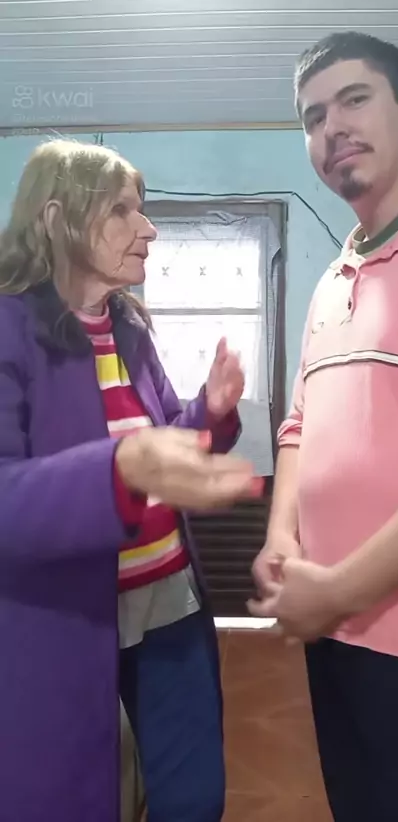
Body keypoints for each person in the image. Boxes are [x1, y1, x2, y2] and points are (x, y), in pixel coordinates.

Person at [250, 32, 398, 821]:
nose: (332, 127)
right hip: (337, 632)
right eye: (313, 116)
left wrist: (340, 589)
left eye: (354, 100)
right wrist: (282, 537)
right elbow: (298, 428)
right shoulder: (332, 277)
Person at [0, 138, 262, 822]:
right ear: (56, 218)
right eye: (122, 210)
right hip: (66, 619)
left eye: (142, 210)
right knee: (76, 795)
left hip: (169, 601)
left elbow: (166, 437)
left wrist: (211, 412)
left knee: (194, 798)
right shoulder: (7, 328)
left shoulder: (130, 329)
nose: (147, 229)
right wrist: (121, 468)